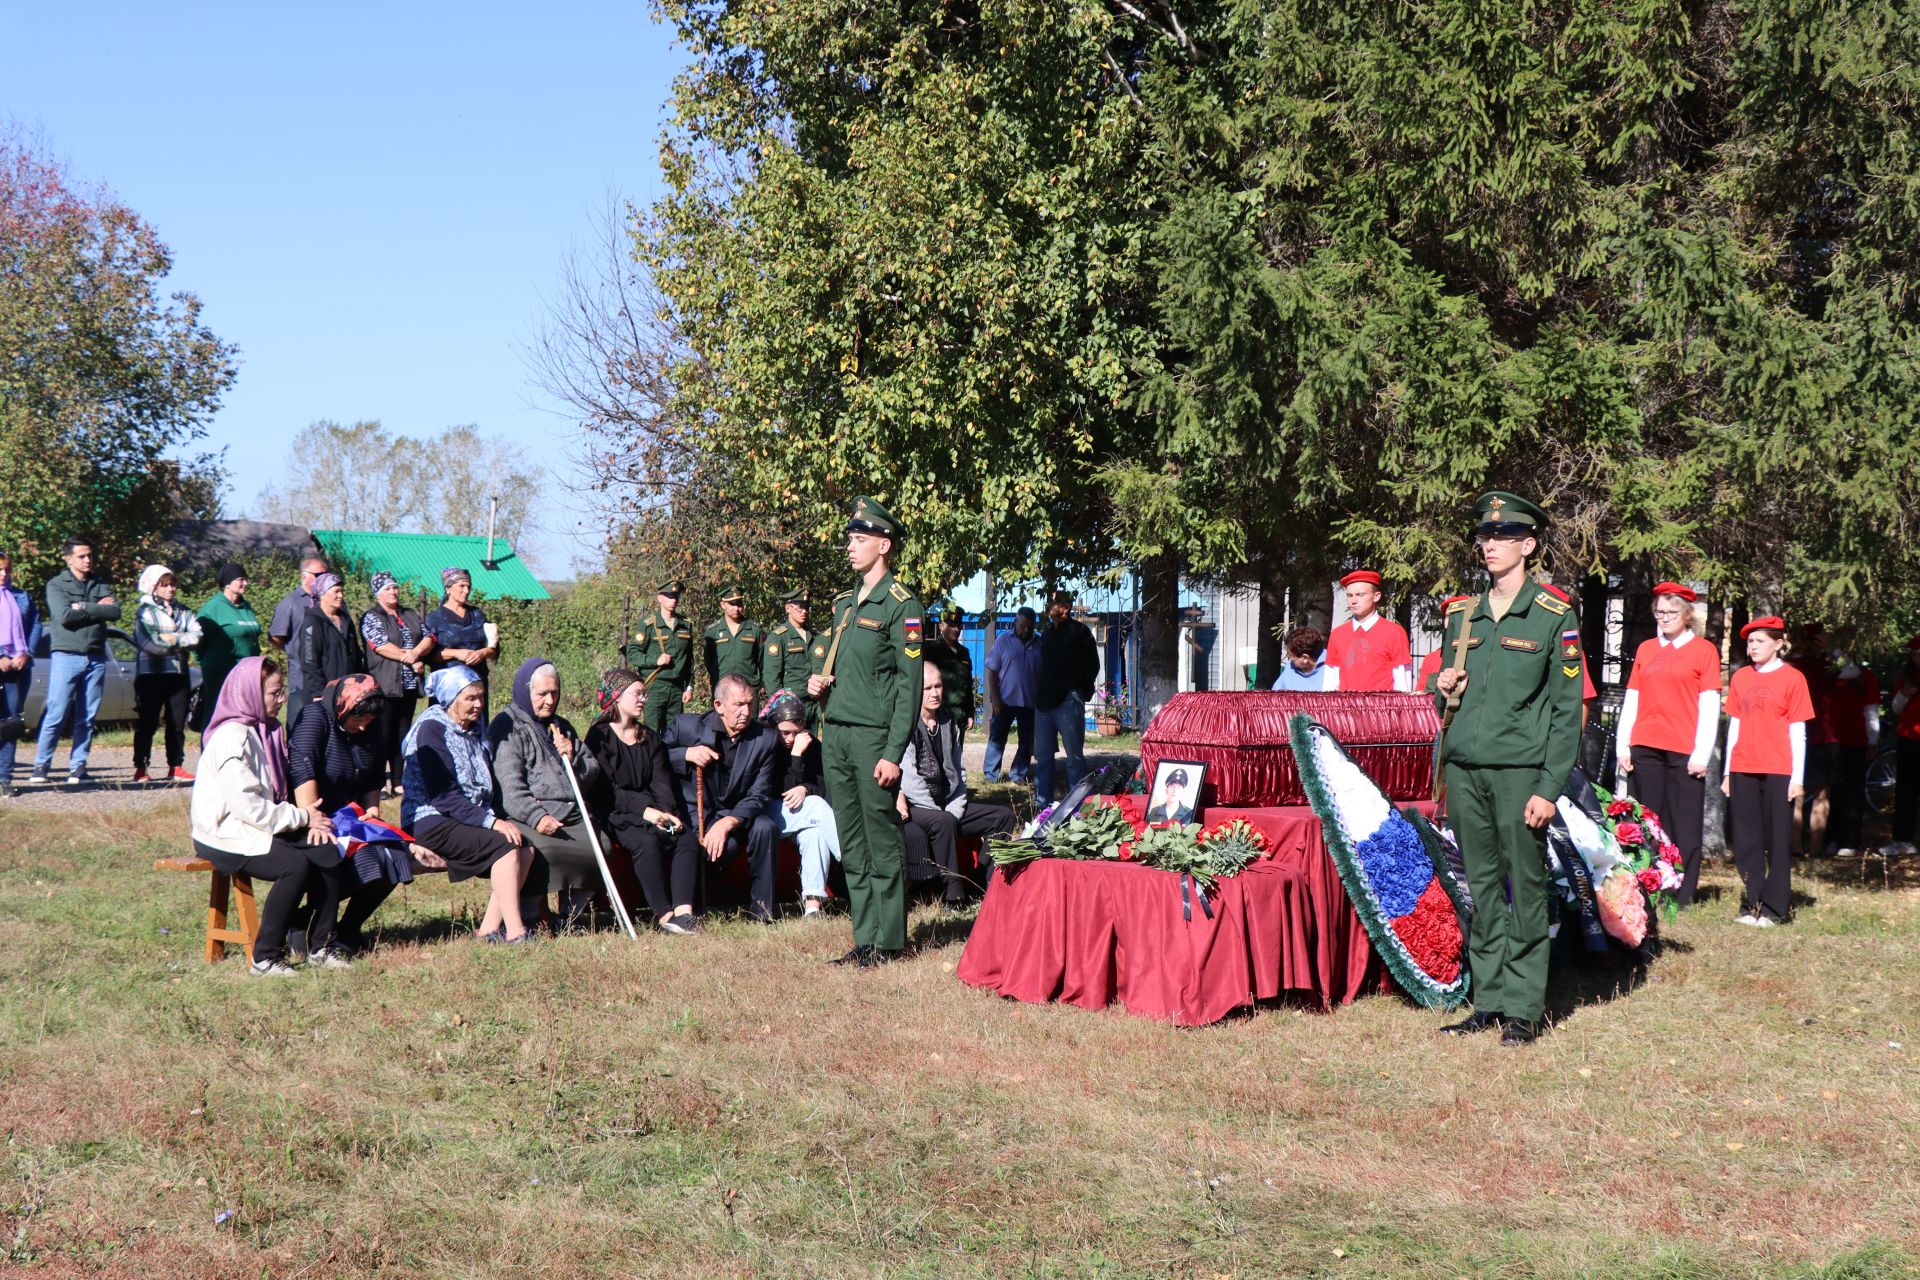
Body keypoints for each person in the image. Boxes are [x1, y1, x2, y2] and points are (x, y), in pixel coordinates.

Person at [1430, 492, 1585, 1048]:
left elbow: (1568, 712)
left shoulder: (1552, 616)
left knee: (1527, 884)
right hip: (1466, 770)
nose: (1489, 545)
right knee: (1482, 887)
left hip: (1521, 774)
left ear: (1529, 545)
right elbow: (1446, 685)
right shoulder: (1462, 614)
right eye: (1485, 537)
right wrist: (1439, 685)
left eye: (1502, 537)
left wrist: (1548, 788)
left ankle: (1524, 1006)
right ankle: (1489, 1000)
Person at [808, 496, 923, 966]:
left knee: (881, 837)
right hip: (834, 733)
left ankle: (890, 940)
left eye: (860, 540)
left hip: (874, 738)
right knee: (852, 839)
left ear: (884, 544)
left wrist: (894, 752)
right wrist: (819, 686)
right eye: (851, 540)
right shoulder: (843, 604)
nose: (851, 548)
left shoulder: (901, 605)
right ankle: (864, 938)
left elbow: (909, 686)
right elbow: (848, 670)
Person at [188, 656, 335, 976]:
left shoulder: (266, 730)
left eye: (282, 692)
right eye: (274, 694)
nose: (281, 700)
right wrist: (299, 817)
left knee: (326, 850)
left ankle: (321, 945)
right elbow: (245, 806)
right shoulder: (233, 737)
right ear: (250, 694)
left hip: (258, 823)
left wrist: (307, 819)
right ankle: (265, 957)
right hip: (222, 833)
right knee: (293, 866)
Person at [402, 665, 536, 943]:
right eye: (470, 698)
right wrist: (492, 822)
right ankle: (516, 932)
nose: (478, 704)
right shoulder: (431, 730)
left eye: (480, 697)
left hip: (464, 816)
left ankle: (488, 929)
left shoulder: (475, 730)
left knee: (526, 850)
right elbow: (444, 796)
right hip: (432, 818)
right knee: (505, 845)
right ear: (451, 699)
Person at [1614, 582, 1721, 908]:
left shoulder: (1704, 650)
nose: (1665, 617)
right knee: (1648, 821)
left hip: (1684, 750)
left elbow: (1710, 704)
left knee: (1684, 823)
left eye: (1672, 612)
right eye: (1660, 612)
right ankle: (1649, 885)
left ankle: (1682, 893)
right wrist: (1623, 744)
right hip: (1645, 745)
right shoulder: (1647, 649)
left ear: (1687, 614)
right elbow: (1632, 698)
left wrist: (1702, 753)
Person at [288, 673, 397, 963]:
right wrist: (315, 817)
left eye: (369, 721)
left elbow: (374, 774)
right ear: (343, 707)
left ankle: (347, 930)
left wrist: (373, 811)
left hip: (350, 815)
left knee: (394, 855)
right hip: (309, 814)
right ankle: (303, 922)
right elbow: (302, 769)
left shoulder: (369, 724)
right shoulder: (315, 719)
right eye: (358, 719)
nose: (363, 726)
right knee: (346, 856)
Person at [489, 656, 604, 929]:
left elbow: (591, 771)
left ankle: (570, 916)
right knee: (544, 851)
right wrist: (537, 816)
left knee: (601, 847)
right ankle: (529, 916)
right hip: (526, 814)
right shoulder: (508, 726)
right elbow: (509, 787)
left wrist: (573, 755)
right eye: (542, 694)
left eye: (554, 693)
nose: (550, 700)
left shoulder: (561, 725)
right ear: (525, 691)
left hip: (569, 811)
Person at [585, 668, 697, 934]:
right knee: (645, 843)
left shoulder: (650, 738)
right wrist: (644, 811)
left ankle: (684, 912)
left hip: (653, 810)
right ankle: (664, 916)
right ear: (616, 697)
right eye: (637, 694)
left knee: (686, 838)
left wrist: (667, 813)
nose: (643, 700)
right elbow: (605, 791)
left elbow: (662, 784)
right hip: (615, 812)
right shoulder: (599, 738)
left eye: (644, 694)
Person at [898, 665, 1017, 907]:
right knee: (944, 822)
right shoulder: (906, 723)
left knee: (1003, 817)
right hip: (916, 807)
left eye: (938, 686)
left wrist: (954, 807)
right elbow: (909, 780)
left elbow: (960, 772)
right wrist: (942, 812)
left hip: (948, 805)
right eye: (928, 688)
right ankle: (954, 897)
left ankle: (981, 881)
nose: (935, 693)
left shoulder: (948, 720)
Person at [664, 673, 779, 922]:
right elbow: (656, 756)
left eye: (750, 703)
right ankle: (695, 906)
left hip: (739, 814)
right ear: (719, 706)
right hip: (699, 814)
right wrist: (686, 753)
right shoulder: (687, 727)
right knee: (728, 848)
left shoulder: (765, 739)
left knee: (766, 828)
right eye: (739, 705)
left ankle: (762, 913)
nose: (746, 711)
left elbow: (759, 795)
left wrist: (728, 823)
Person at [1722, 618, 1814, 927]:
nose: (1753, 647)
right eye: (1749, 642)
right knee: (1746, 840)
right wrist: (1726, 773)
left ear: (1778, 643)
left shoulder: (1794, 679)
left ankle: (1776, 908)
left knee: (1777, 840)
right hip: (1743, 767)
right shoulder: (1741, 678)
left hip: (1778, 769)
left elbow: (1798, 731)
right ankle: (1751, 904)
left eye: (1759, 641)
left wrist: (1797, 778)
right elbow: (1734, 726)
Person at [31, 537, 121, 786]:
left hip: (96, 656)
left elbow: (115, 611)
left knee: (88, 715)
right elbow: (64, 616)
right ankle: (41, 765)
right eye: (82, 556)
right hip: (66, 655)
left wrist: (81, 605)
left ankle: (78, 766)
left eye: (90, 555)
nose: (88, 560)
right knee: (56, 712)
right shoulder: (57, 585)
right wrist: (95, 609)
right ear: (68, 558)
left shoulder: (98, 583)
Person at [762, 691, 842, 918]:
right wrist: (796, 756)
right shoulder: (767, 742)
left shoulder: (811, 745)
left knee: (814, 834)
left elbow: (822, 783)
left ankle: (813, 906)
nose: (790, 738)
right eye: (785, 732)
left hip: (800, 814)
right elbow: (780, 790)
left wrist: (805, 788)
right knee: (816, 806)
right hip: (768, 812)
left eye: (796, 733)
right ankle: (853, 864)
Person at [361, 572, 433, 795]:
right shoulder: (372, 616)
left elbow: (429, 636)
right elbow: (379, 645)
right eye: (387, 589)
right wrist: (408, 658)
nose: (393, 592)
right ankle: (380, 782)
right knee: (382, 733)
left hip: (408, 684)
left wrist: (417, 654)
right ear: (377, 593)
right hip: (384, 683)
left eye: (395, 588)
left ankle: (399, 781)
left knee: (403, 731)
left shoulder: (410, 614)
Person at [131, 564, 202, 783]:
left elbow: (198, 635)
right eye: (165, 585)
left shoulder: (183, 610)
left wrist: (174, 639)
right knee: (147, 722)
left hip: (178, 673)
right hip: (150, 674)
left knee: (176, 722)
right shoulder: (144, 611)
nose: (171, 589)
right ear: (153, 587)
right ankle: (141, 768)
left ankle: (176, 765)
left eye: (172, 584)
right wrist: (181, 639)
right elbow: (151, 643)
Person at [1033, 590, 1099, 806]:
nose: (1050, 606)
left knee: (1074, 757)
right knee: (1043, 756)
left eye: (1055, 603)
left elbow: (1092, 665)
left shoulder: (1080, 633)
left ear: (1066, 607)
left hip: (1068, 701)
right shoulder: (1047, 633)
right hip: (1044, 701)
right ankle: (1042, 803)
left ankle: (1076, 805)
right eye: (1049, 602)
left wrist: (1079, 691)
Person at [1823, 631, 1879, 857]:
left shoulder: (1864, 676)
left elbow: (1871, 710)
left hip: (1855, 740)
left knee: (1852, 792)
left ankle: (1851, 841)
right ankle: (1831, 838)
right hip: (1830, 740)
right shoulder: (1829, 674)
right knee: (1832, 791)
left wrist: (1872, 740)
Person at [193, 562, 261, 732]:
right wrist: (209, 663)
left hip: (247, 673)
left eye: (246, 579)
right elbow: (198, 642)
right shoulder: (213, 608)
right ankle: (209, 753)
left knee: (245, 715)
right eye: (240, 579)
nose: (245, 583)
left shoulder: (246, 607)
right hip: (221, 672)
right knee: (217, 715)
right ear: (227, 583)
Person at [622, 579, 696, 734]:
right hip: (655, 687)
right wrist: (655, 661)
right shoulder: (648, 624)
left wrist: (689, 687)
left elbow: (689, 659)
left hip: (677, 688)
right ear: (659, 598)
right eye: (669, 596)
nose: (673, 600)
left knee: (675, 732)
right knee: (652, 732)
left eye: (676, 596)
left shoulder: (686, 625)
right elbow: (633, 653)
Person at [424, 567, 499, 717]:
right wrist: (457, 653)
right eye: (462, 586)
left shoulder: (477, 615)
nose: (466, 590)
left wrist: (482, 653)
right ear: (448, 588)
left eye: (468, 586)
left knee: (476, 728)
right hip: (448, 686)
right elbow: (429, 655)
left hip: (476, 684)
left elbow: (494, 649)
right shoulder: (435, 618)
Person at [0, 553, 44, 797]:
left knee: (10, 723)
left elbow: (36, 624)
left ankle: (5, 778)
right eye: (0, 570)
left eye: (7, 570)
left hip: (18, 668)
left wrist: (27, 653)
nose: (4, 574)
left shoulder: (22, 596)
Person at [1325, 570, 1413, 692]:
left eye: (1360, 595)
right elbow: (1330, 680)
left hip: (1382, 708)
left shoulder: (1394, 632)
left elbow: (1402, 681)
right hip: (1346, 708)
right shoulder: (1337, 634)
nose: (1353, 600)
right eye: (1350, 595)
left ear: (1376, 596)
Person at [983, 607, 1041, 782]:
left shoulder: (1040, 644)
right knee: (997, 738)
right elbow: (992, 671)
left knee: (1026, 741)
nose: (1025, 630)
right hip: (1004, 701)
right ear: (1015, 623)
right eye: (1022, 625)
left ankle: (1018, 774)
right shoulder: (1003, 640)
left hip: (1030, 702)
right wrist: (995, 698)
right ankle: (991, 774)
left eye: (1029, 626)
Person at [296, 572, 366, 703]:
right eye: (336, 591)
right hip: (324, 694)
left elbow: (355, 655)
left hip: (348, 692)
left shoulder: (346, 621)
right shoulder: (312, 622)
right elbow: (309, 661)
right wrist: (318, 693)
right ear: (322, 593)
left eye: (342, 591)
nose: (341, 595)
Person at [268, 555, 327, 709]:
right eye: (319, 575)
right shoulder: (290, 603)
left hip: (328, 676)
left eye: (325, 575)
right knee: (300, 724)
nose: (324, 579)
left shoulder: (328, 599)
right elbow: (276, 636)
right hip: (301, 678)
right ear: (304, 576)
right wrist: (296, 650)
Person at [761, 588, 816, 722]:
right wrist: (781, 702)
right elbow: (772, 677)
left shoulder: (814, 636)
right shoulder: (778, 637)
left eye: (807, 607)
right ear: (788, 608)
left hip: (813, 703)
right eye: (800, 608)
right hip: (791, 702)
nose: (804, 611)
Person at [703, 584, 765, 698]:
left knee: (749, 716)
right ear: (723, 604)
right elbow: (709, 661)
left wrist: (758, 681)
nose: (736, 608)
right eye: (732, 604)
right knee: (722, 716)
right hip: (722, 688)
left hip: (748, 687)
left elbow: (761, 660)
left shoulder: (754, 629)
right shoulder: (712, 631)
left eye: (739, 604)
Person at [920, 605, 977, 725]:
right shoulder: (931, 650)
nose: (956, 629)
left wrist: (970, 713)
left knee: (957, 744)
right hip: (939, 713)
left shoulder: (964, 652)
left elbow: (967, 685)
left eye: (958, 625)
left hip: (959, 714)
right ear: (941, 626)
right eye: (951, 625)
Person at [1890, 638, 1920, 855]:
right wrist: (1904, 695)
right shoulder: (1906, 678)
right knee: (1906, 791)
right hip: (1908, 739)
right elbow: (1895, 708)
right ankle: (1902, 840)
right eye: (1916, 653)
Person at [1270, 625, 1329, 691]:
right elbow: (1276, 694)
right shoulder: (1290, 667)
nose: (1290, 659)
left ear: (1305, 658)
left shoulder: (1331, 667)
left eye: (1291, 656)